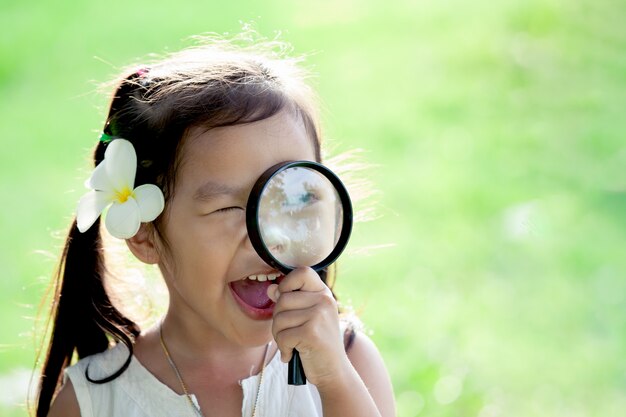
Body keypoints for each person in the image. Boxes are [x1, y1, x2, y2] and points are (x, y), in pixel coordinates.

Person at [36, 34, 395, 417]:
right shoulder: (92, 402)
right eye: (228, 208)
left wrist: (335, 380)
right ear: (144, 233)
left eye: (295, 198)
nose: (271, 235)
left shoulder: (348, 362)